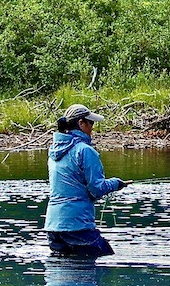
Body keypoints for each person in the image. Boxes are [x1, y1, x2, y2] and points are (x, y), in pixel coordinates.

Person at [44, 103, 132, 257]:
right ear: (81, 123)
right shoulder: (86, 151)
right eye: (90, 123)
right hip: (78, 226)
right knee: (105, 259)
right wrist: (116, 184)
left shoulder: (53, 152)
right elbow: (96, 189)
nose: (93, 127)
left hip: (52, 227)